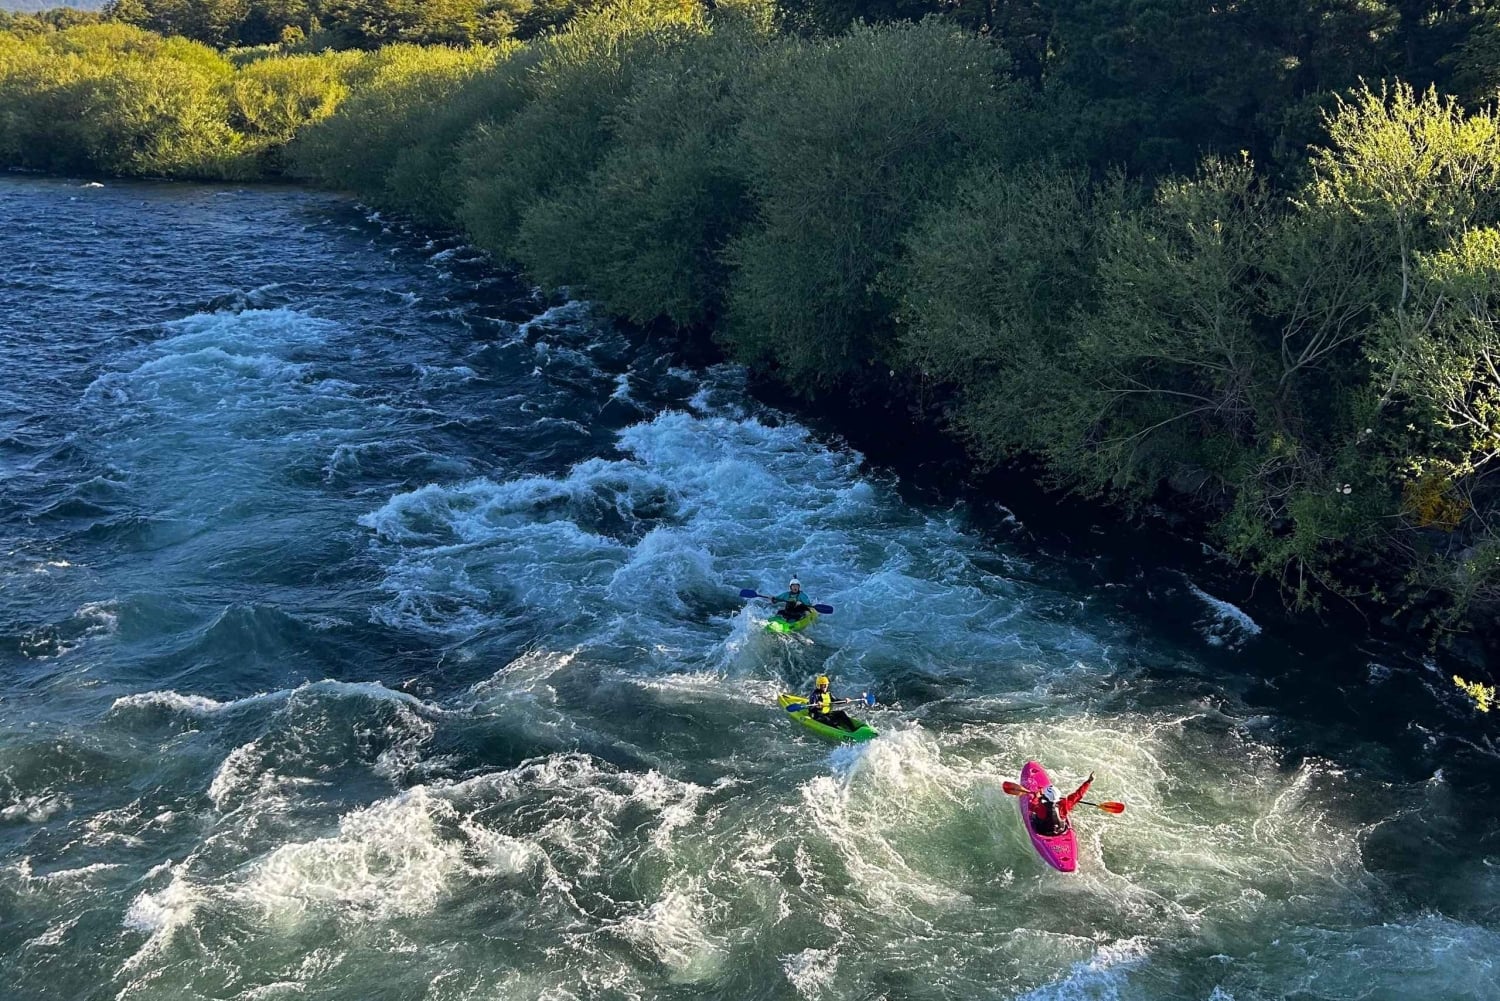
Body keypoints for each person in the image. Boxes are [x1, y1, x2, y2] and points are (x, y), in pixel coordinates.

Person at [1028, 773, 1093, 836]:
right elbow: (1078, 794)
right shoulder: (1065, 804)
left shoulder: (1041, 808)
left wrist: (1036, 797)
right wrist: (1089, 781)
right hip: (1060, 831)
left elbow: (1031, 806)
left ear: (1045, 797)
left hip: (1044, 831)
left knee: (1034, 815)